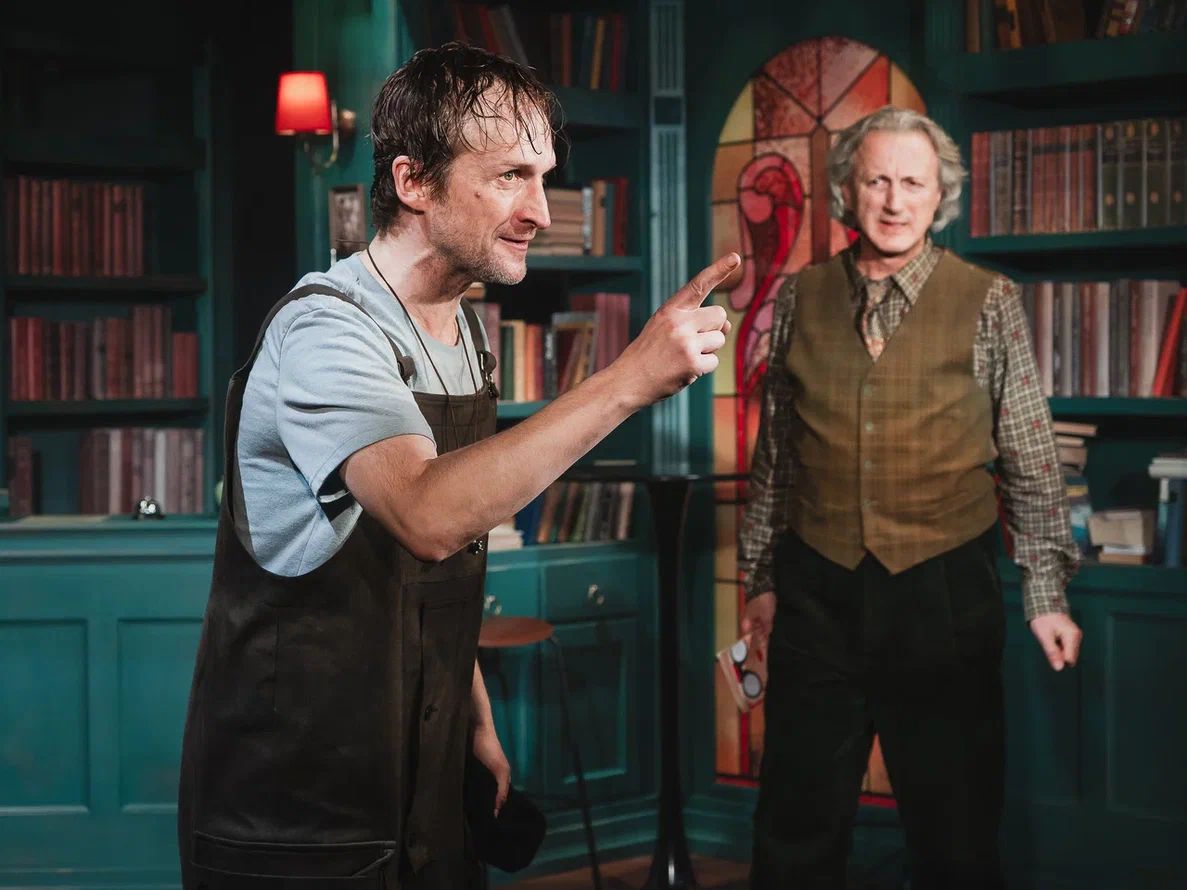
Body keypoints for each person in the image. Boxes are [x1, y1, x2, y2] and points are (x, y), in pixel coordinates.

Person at [177, 42, 737, 889]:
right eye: (510, 176)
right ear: (414, 182)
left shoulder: (464, 330)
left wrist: (470, 714)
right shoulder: (327, 330)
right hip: (300, 809)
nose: (539, 211)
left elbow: (431, 568)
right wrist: (629, 380)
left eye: (542, 178)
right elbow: (428, 515)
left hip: (422, 782)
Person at [738, 106, 1084, 890]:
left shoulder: (986, 299)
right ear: (847, 191)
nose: (893, 201)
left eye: (912, 184)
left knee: (954, 832)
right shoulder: (800, 297)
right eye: (876, 182)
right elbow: (777, 458)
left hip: (943, 590)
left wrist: (1045, 595)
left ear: (939, 197)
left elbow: (1028, 456)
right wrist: (759, 579)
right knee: (795, 825)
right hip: (816, 590)